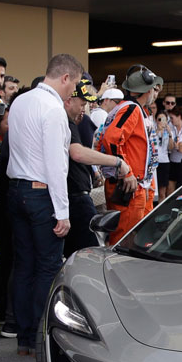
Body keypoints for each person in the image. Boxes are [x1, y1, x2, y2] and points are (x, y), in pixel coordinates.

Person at [6, 54, 83, 356]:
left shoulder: (21, 101)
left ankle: (25, 338)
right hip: (41, 194)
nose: (73, 92)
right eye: (74, 85)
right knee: (47, 267)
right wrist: (62, 212)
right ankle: (42, 339)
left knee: (24, 266)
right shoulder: (53, 109)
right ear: (65, 78)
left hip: (16, 190)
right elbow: (56, 165)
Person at [95, 63, 160, 243]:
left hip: (132, 184)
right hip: (129, 185)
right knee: (126, 239)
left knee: (132, 237)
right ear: (146, 90)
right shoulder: (131, 109)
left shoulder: (128, 108)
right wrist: (127, 172)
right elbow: (111, 139)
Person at [63, 78, 129, 256]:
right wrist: (117, 162)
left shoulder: (73, 121)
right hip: (74, 196)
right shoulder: (67, 121)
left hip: (72, 195)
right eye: (82, 103)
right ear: (69, 100)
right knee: (91, 254)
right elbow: (78, 153)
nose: (84, 109)